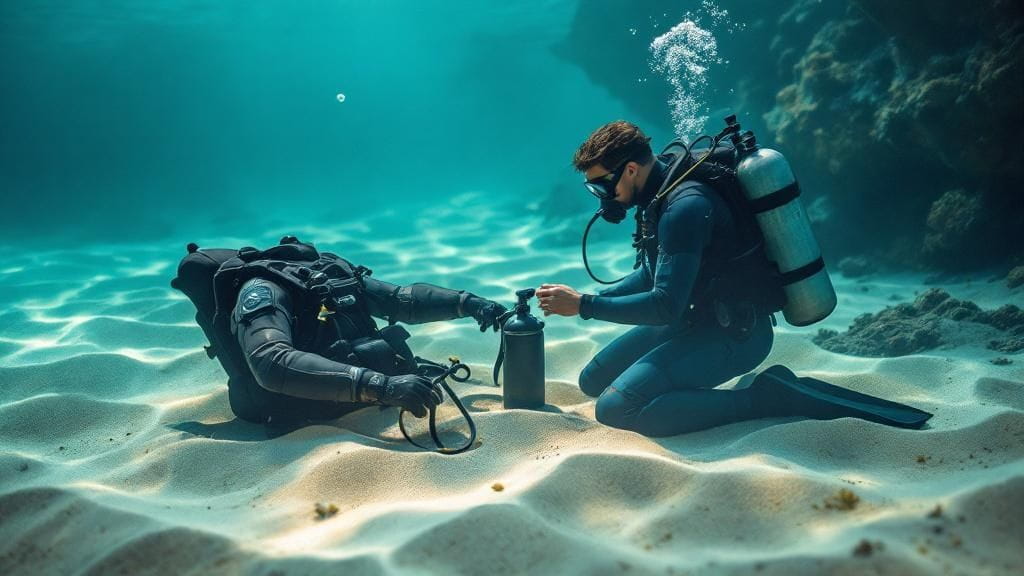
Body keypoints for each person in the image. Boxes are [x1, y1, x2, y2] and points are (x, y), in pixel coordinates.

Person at [536, 121, 931, 437]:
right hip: (691, 321)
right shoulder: (658, 196)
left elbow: (664, 304)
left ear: (632, 169)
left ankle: (766, 398)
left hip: (734, 335)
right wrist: (584, 297)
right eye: (593, 187)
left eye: (602, 184)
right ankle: (679, 380)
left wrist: (584, 306)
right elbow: (651, 274)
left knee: (617, 407)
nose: (601, 196)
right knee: (593, 381)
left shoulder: (683, 207)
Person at [172, 237, 508, 429]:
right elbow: (270, 360)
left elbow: (400, 300)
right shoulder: (262, 289)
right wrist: (383, 386)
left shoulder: (331, 274)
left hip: (365, 394)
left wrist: (470, 303)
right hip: (304, 415)